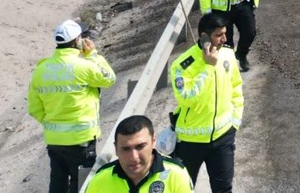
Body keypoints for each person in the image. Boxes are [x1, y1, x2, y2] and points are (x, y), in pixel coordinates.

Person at [27, 19, 117, 193]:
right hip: (81, 140)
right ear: (77, 41)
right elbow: (110, 78)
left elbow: (34, 108)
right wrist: (93, 55)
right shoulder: (84, 67)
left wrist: (51, 124)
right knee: (82, 185)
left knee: (57, 183)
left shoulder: (41, 69)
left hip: (54, 140)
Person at [170, 12, 243, 193]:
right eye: (219, 35)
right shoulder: (181, 66)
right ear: (204, 37)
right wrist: (207, 68)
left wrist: (235, 122)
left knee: (224, 189)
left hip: (223, 137)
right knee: (184, 189)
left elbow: (236, 87)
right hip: (190, 142)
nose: (224, 39)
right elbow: (187, 99)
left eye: (225, 33)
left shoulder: (227, 54)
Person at [85, 115, 193, 193]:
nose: (134, 157)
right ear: (116, 148)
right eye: (126, 149)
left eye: (140, 147)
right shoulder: (100, 180)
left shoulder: (176, 175)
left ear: (153, 141)